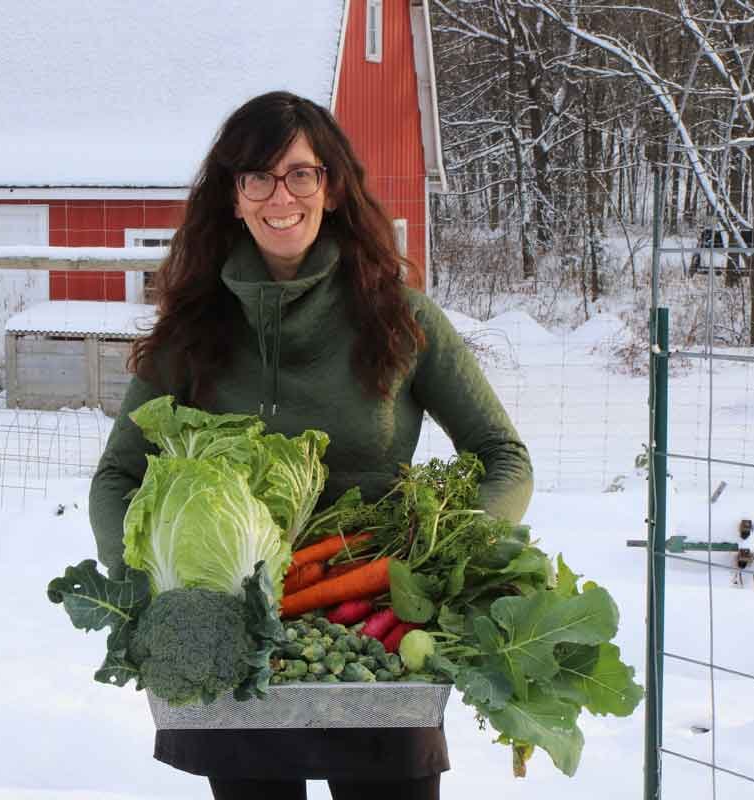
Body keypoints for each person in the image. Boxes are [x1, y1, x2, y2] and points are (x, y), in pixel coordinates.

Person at [89, 91, 532, 800]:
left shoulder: (402, 319)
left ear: (331, 188)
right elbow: (118, 474)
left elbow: (502, 455)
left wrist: (442, 559)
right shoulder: (193, 332)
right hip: (239, 628)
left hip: (377, 626)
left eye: (300, 173)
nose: (280, 195)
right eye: (257, 177)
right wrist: (162, 587)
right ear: (233, 198)